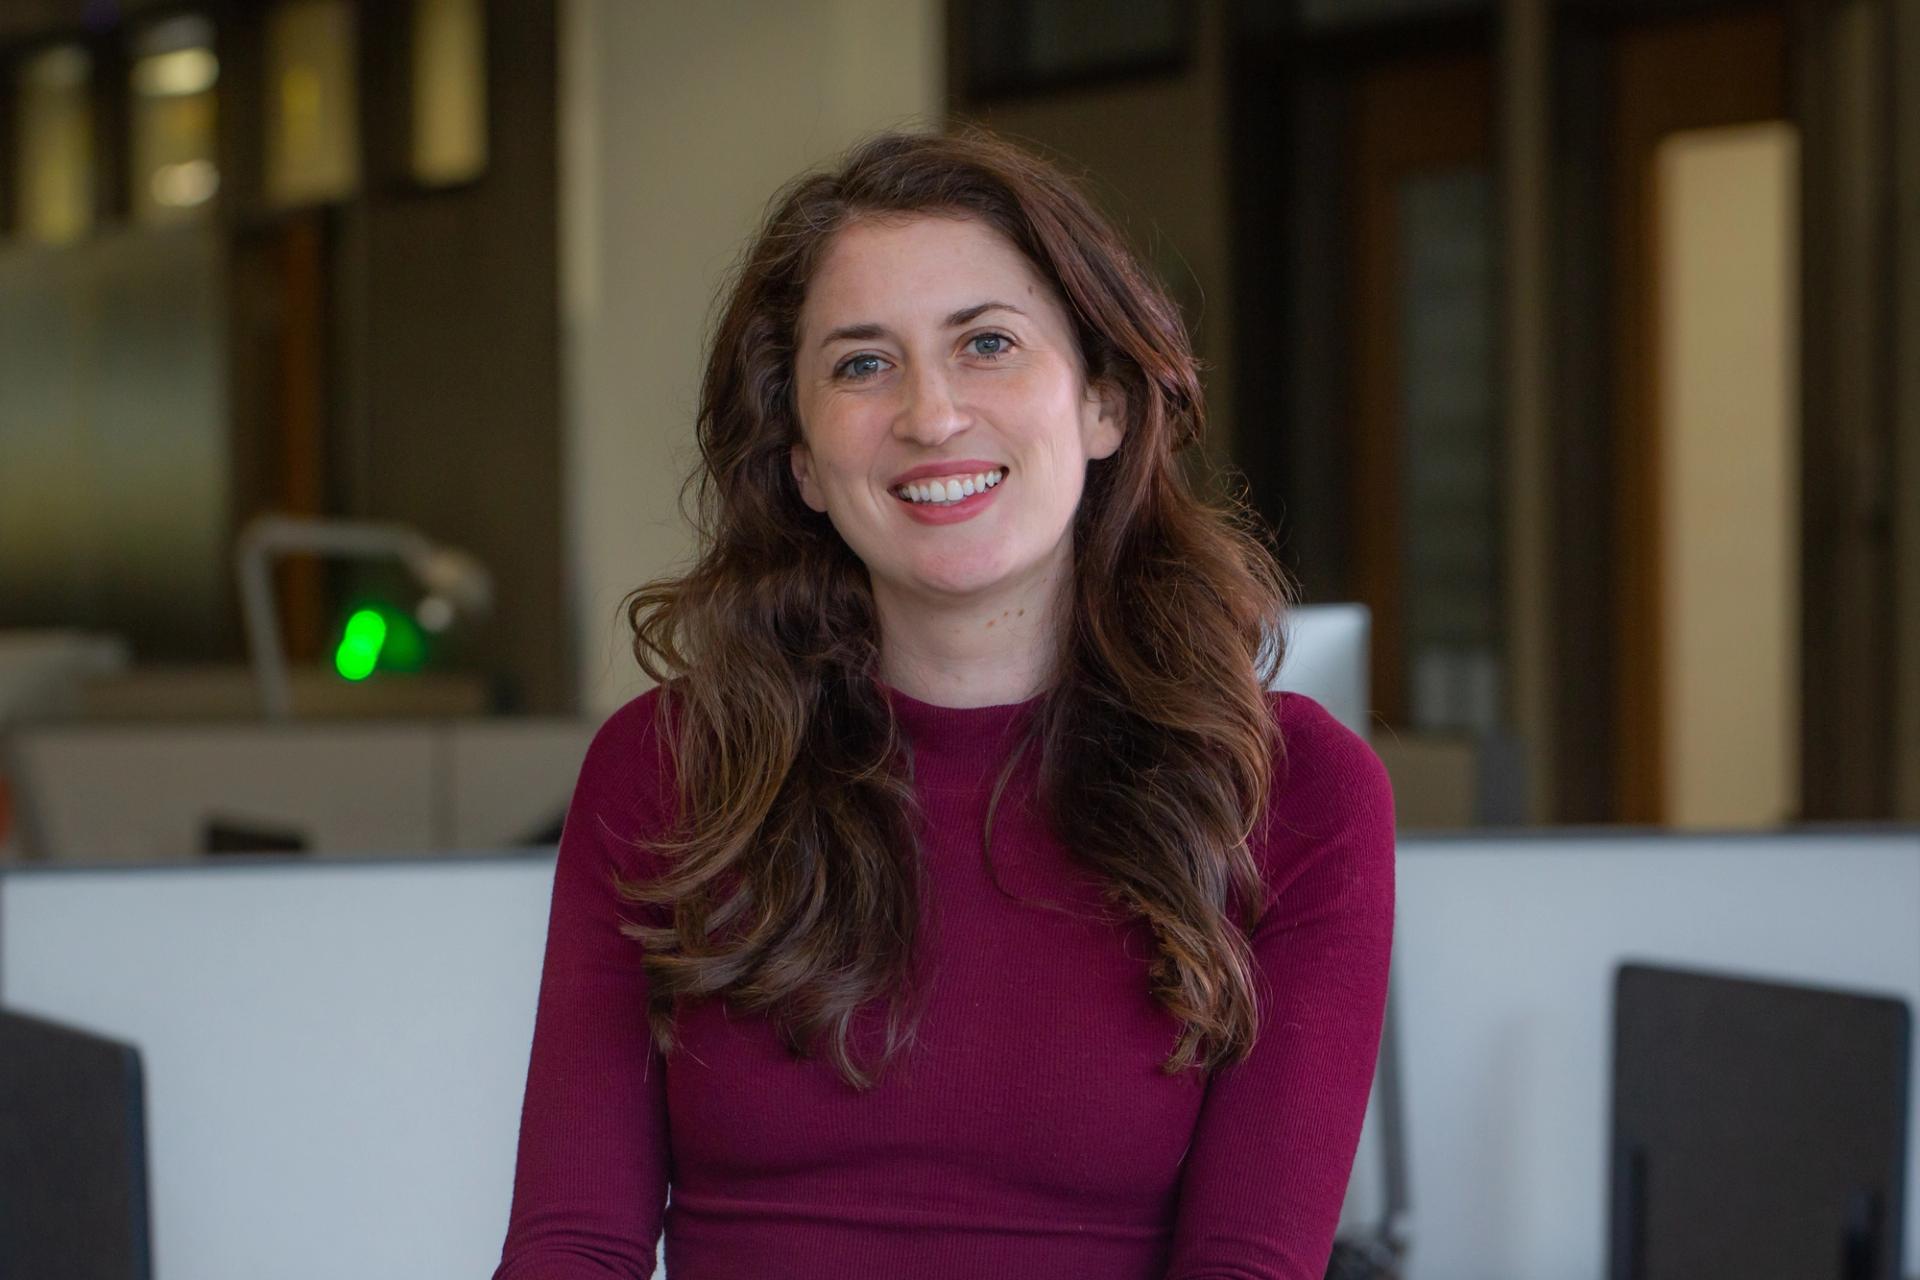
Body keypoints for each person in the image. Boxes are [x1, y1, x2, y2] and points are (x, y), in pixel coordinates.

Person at [492, 128, 1395, 1280]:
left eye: (987, 343)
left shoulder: (1294, 792)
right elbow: (572, 1244)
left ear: (1105, 404)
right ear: (802, 460)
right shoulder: (669, 769)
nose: (931, 413)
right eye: (862, 364)